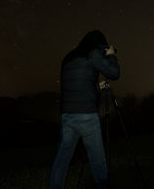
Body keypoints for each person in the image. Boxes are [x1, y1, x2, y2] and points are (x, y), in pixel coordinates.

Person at [50, 30, 119, 189]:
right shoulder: (93, 53)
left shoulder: (68, 57)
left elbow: (77, 85)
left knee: (62, 161)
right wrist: (110, 55)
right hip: (86, 115)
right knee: (97, 162)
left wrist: (98, 87)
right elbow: (114, 73)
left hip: (67, 116)